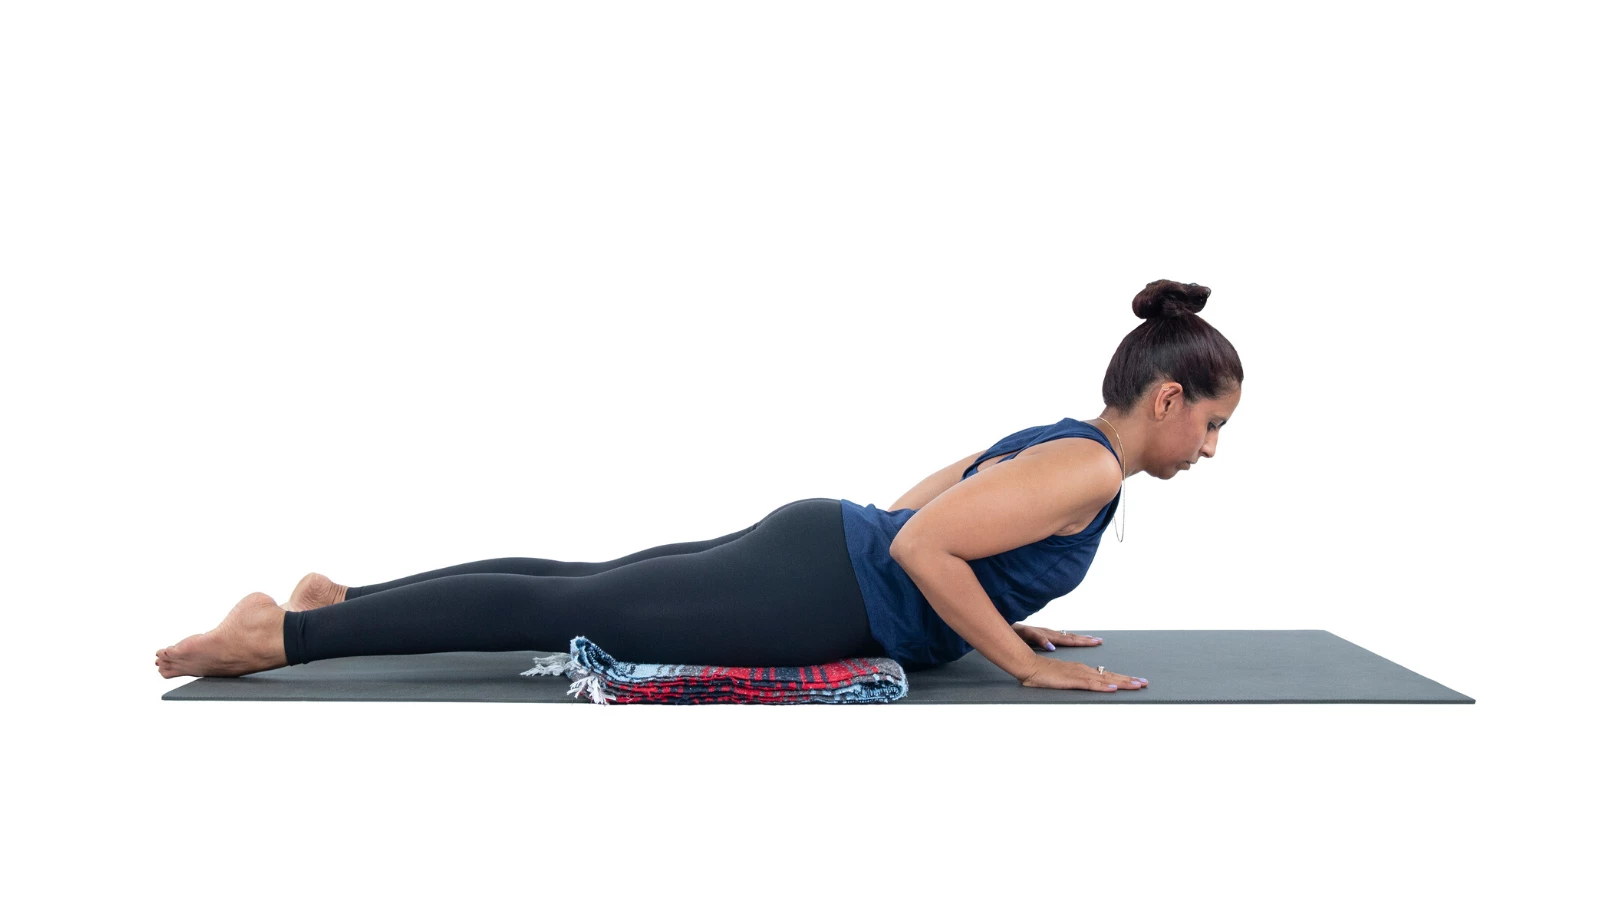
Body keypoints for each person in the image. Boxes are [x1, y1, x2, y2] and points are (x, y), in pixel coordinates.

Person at [155, 278, 1243, 692]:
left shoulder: (1065, 444)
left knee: (584, 583)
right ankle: (277, 639)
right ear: (1165, 400)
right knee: (576, 603)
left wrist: (1003, 608)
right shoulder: (1090, 471)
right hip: (825, 587)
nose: (1207, 447)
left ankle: (338, 603)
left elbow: (928, 505)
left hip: (818, 550)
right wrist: (1019, 665)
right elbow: (921, 547)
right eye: (1211, 423)